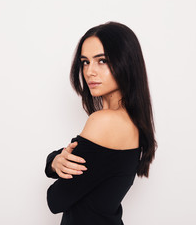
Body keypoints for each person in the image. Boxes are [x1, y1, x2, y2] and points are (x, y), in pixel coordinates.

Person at [45, 21, 157, 225]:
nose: (89, 72)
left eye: (102, 61)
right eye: (85, 62)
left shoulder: (104, 122)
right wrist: (54, 161)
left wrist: (53, 162)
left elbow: (56, 200)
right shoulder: (131, 121)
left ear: (126, 62)